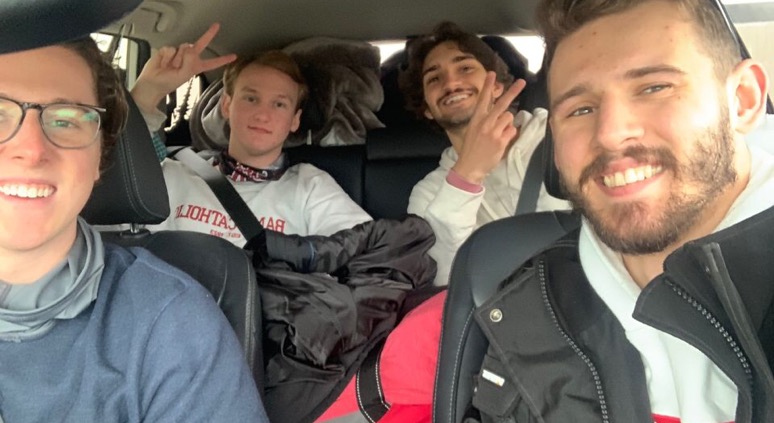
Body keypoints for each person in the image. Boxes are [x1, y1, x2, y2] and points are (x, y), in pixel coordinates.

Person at [468, 0, 773, 422]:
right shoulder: (521, 317)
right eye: (581, 109)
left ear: (743, 99)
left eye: (654, 88)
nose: (610, 135)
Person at [0, 37, 268, 422]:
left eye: (66, 119)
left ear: (99, 162)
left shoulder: (168, 321)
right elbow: (136, 146)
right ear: (226, 103)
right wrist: (149, 94)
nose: (31, 149)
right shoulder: (183, 172)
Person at [130, 24, 371, 245]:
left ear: (294, 120)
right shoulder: (176, 173)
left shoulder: (310, 188)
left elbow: (370, 254)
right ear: (226, 105)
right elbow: (110, 208)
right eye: (251, 98)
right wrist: (146, 94)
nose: (262, 115)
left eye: (279, 105)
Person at [399, 21, 569, 286]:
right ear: (427, 109)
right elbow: (445, 280)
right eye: (434, 78)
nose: (452, 83)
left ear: (497, 85)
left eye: (465, 68)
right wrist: (467, 176)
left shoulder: (561, 139)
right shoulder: (429, 193)